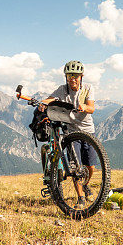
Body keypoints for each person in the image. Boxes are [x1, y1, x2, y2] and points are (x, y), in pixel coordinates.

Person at [39, 60, 97, 209]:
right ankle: (81, 198)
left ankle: (85, 185)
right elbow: (51, 99)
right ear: (66, 77)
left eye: (76, 76)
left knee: (90, 166)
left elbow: (92, 108)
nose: (73, 78)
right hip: (71, 133)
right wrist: (43, 102)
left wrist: (84, 106)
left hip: (88, 131)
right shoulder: (62, 89)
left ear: (81, 76)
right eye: (70, 75)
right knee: (75, 167)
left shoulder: (88, 88)